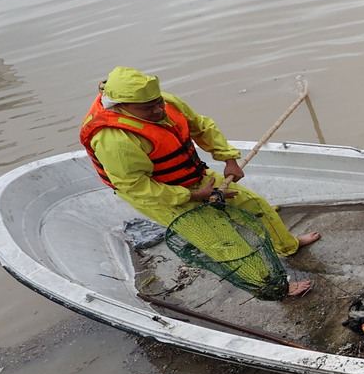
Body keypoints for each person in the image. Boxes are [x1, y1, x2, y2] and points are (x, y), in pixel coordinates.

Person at [80, 67, 320, 298]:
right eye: (147, 108)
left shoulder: (165, 103)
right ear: (121, 106)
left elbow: (202, 126)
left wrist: (229, 158)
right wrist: (193, 196)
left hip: (194, 176)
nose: (158, 110)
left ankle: (288, 246)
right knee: (227, 243)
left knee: (255, 204)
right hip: (162, 197)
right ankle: (273, 287)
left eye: (157, 102)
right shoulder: (114, 140)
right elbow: (135, 186)